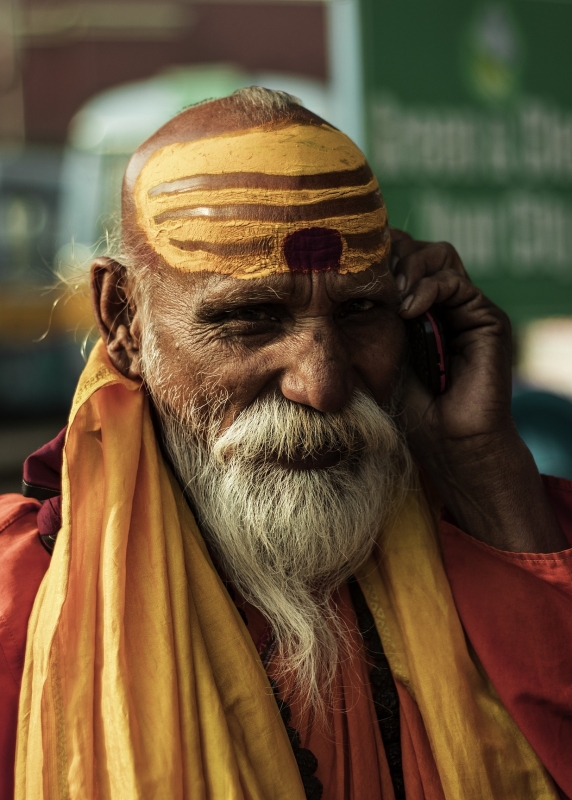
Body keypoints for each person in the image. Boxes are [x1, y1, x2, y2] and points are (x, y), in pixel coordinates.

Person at [1, 87, 572, 800]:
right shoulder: (21, 598)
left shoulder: (489, 528)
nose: (323, 385)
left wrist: (488, 471)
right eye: (249, 317)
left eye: (361, 309)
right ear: (124, 320)